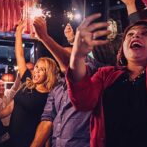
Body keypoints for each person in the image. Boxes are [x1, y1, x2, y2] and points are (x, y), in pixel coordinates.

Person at [66, 0, 147, 147]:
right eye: (130, 34)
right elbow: (83, 101)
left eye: (145, 33)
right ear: (122, 47)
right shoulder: (106, 75)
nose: (136, 35)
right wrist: (77, 57)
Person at [30, 17, 99, 147]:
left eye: (70, 56)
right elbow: (47, 119)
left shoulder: (93, 77)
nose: (62, 58)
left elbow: (70, 64)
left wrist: (45, 37)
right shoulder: (57, 88)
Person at [0, 20, 59, 147]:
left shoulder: (50, 96)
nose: (36, 71)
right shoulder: (27, 82)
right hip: (10, 139)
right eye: (36, 67)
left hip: (29, 143)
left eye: (41, 69)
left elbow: (48, 126)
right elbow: (20, 56)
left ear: (48, 74)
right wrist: (18, 34)